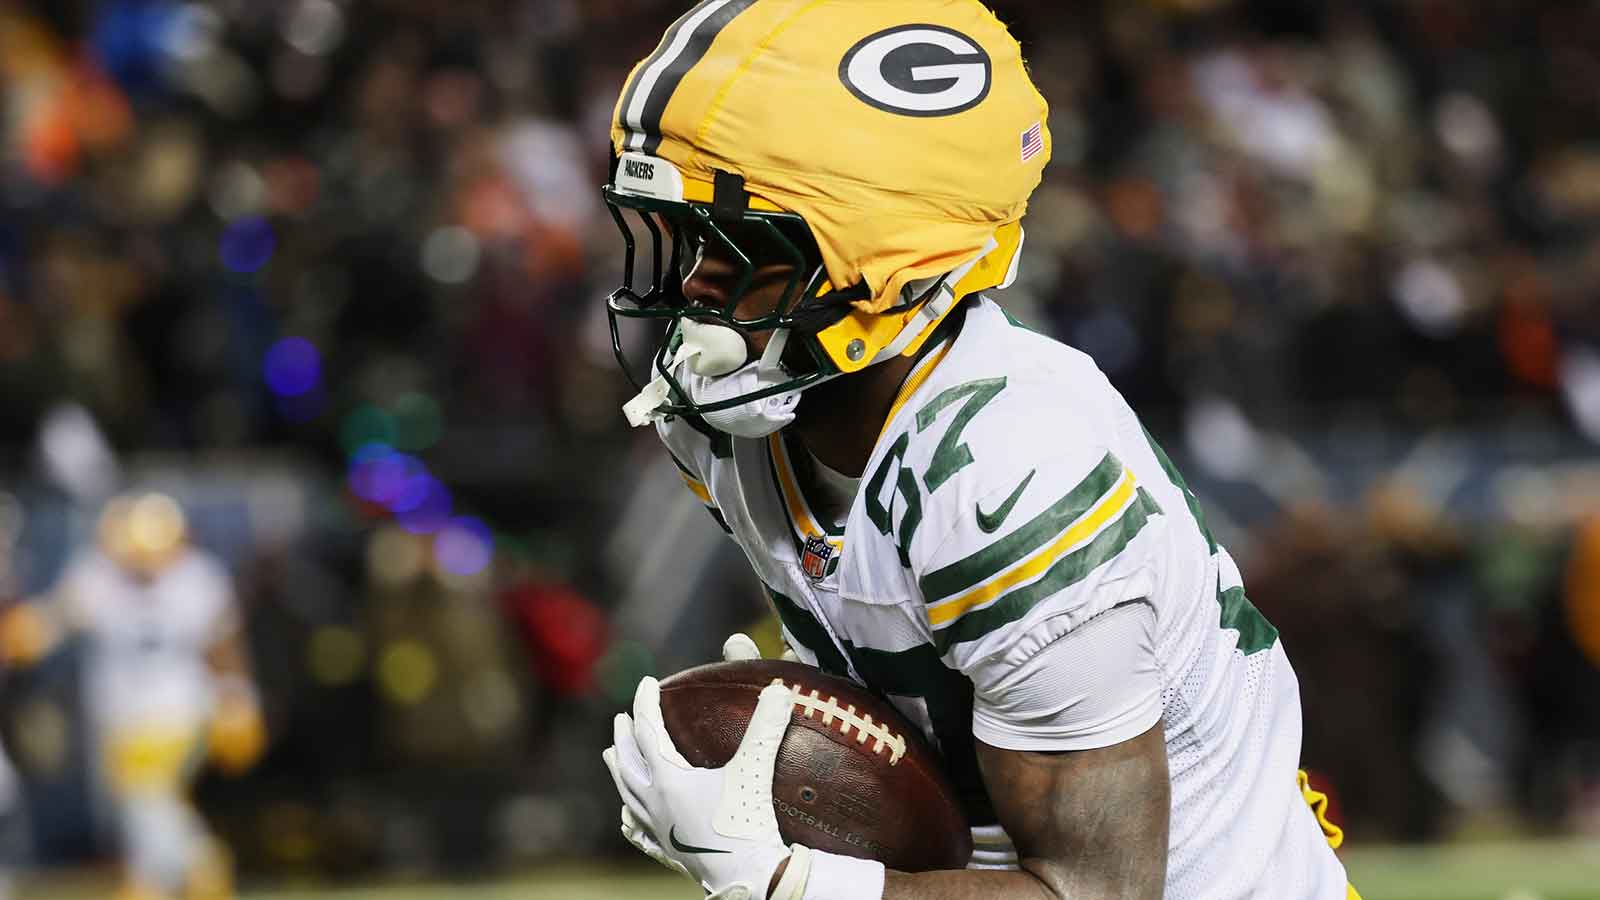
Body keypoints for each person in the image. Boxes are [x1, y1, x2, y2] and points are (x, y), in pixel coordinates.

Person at [597, 2, 1354, 898]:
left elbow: (1099, 893)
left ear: (879, 264)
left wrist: (792, 886)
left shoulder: (1010, 474)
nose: (691, 287)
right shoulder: (731, 419)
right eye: (684, 239)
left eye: (739, 248)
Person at [0, 493, 264, 900]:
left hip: (179, 710)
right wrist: (24, 633)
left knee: (146, 795)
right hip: (120, 716)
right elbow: (54, 620)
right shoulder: (99, 576)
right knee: (144, 802)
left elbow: (223, 644)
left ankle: (167, 876)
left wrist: (237, 697)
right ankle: (187, 867)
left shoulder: (196, 578)